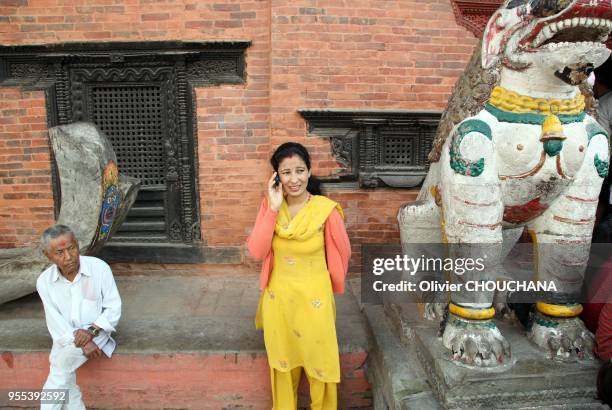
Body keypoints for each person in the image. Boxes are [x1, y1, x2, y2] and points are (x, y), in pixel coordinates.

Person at [247, 142, 351, 410]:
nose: (294, 179)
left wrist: (326, 289)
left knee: (321, 363)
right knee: (283, 365)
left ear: (309, 171)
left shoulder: (325, 211)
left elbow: (343, 252)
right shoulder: (271, 206)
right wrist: (272, 207)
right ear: (276, 177)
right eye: (286, 173)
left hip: (314, 300)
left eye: (300, 171)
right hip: (279, 300)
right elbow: (257, 251)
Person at [37, 224, 121, 410]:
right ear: (47, 255)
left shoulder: (99, 268)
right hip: (65, 336)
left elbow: (113, 308)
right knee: (64, 374)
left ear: (77, 245)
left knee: (59, 370)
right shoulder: (44, 282)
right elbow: (55, 322)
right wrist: (81, 340)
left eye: (72, 248)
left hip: (98, 332)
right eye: (60, 252)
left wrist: (90, 332)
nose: (69, 257)